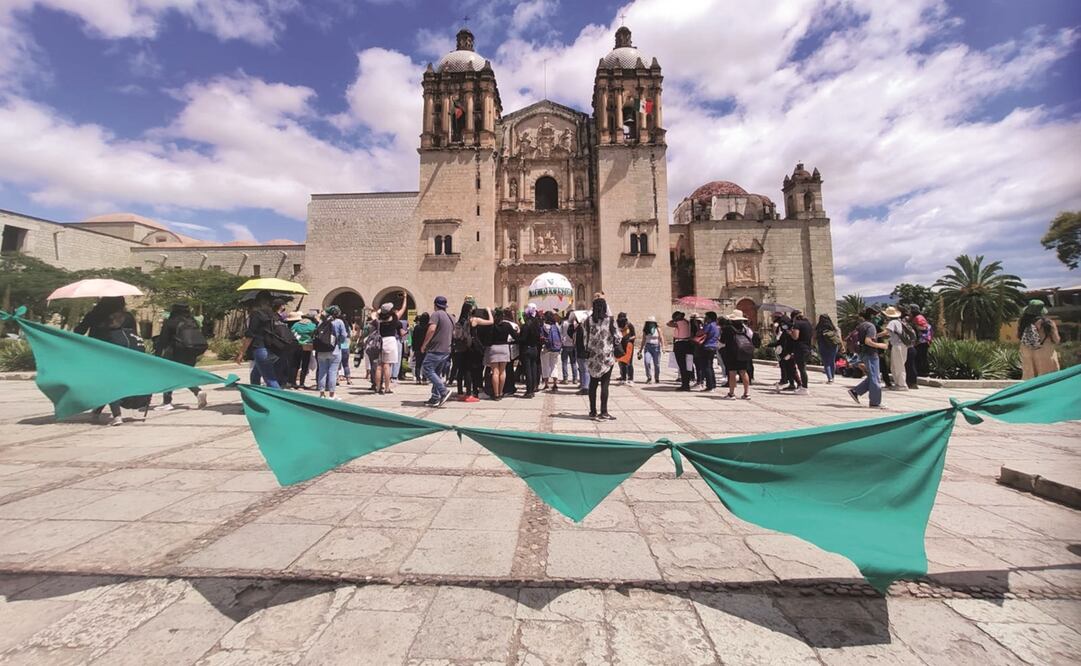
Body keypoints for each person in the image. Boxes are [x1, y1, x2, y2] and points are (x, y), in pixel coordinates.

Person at [75, 296, 137, 425]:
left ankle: (116, 415)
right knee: (110, 380)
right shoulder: (127, 316)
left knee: (106, 381)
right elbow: (134, 335)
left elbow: (79, 331)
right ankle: (98, 411)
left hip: (98, 353)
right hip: (122, 353)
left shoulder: (94, 315)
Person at [154, 303, 209, 411]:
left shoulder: (171, 322)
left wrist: (158, 353)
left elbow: (163, 340)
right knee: (184, 374)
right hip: (191, 353)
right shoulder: (193, 322)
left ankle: (167, 402)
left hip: (175, 352)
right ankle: (198, 392)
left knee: (167, 376)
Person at [235, 291, 280, 389]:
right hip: (273, 349)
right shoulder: (274, 315)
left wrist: (242, 352)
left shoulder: (256, 314)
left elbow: (250, 335)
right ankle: (256, 396)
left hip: (260, 348)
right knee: (255, 374)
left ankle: (282, 402)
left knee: (270, 379)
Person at [585, 297, 620, 420]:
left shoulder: (588, 321)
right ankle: (604, 411)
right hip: (607, 357)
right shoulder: (610, 320)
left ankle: (593, 411)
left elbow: (585, 338)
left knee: (593, 384)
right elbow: (618, 337)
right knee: (605, 384)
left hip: (593, 357)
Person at [473, 306, 518, 400]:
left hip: (493, 348)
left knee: (495, 372)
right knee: (503, 372)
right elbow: (515, 336)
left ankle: (496, 394)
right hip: (504, 348)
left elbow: (487, 338)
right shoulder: (507, 325)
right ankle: (501, 392)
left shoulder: (491, 326)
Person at [848, 308, 889, 408]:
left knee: (872, 376)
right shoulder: (871, 326)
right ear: (872, 316)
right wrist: (881, 345)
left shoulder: (861, 325)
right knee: (875, 378)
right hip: (870, 353)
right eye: (877, 315)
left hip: (863, 353)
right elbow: (868, 341)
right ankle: (875, 402)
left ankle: (856, 391)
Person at [419, 296, 455, 407]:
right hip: (446, 349)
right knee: (437, 373)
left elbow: (432, 329)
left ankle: (443, 391)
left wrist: (424, 344)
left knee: (427, 369)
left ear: (435, 305)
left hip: (436, 349)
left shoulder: (436, 314)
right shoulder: (451, 317)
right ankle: (435, 397)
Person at [375, 293, 408, 394]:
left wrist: (381, 309)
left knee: (379, 366)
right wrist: (405, 298)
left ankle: (377, 387)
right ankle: (387, 387)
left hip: (380, 341)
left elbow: (376, 312)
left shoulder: (378, 319)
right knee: (387, 365)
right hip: (390, 341)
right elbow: (403, 308)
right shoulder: (394, 318)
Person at [1018, 299, 1061, 379]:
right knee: (1048, 380)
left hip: (1027, 353)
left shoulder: (1022, 323)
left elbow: (1019, 337)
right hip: (1045, 353)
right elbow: (1056, 340)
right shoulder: (1048, 323)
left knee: (1030, 380)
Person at [314, 305, 349, 400]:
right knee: (333, 372)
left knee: (322, 371)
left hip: (321, 350)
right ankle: (332, 394)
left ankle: (321, 393)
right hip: (335, 350)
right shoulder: (339, 322)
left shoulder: (322, 322)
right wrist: (340, 343)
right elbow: (344, 336)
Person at [720, 309, 756, 399]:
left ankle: (731, 393)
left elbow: (722, 341)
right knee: (743, 372)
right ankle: (746, 393)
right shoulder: (745, 328)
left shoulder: (728, 329)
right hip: (743, 352)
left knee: (732, 372)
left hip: (732, 353)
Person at [882, 306, 911, 391]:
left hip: (897, 345)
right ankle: (899, 383)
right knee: (900, 364)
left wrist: (876, 335)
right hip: (903, 345)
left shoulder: (892, 322)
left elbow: (886, 332)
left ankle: (901, 385)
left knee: (897, 365)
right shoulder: (900, 321)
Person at [518, 304, 542, 398]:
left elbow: (523, 339)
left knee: (528, 370)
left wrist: (517, 337)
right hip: (534, 348)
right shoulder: (537, 323)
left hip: (527, 349)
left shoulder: (526, 325)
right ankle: (533, 389)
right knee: (533, 369)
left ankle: (529, 391)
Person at [788, 310, 813, 395]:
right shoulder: (808, 324)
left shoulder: (797, 324)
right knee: (803, 368)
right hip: (807, 348)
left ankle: (804, 388)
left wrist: (790, 333)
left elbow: (795, 337)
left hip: (800, 348)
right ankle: (804, 386)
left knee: (802, 369)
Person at [667, 311, 693, 391]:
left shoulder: (678, 322)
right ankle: (687, 383)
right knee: (688, 365)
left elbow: (668, 323)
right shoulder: (687, 322)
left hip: (680, 344)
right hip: (688, 343)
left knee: (682, 365)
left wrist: (674, 320)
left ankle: (684, 385)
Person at [291, 312, 317, 389]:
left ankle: (293, 383)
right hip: (307, 347)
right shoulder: (312, 325)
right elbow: (314, 334)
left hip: (296, 346)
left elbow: (292, 332)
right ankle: (302, 383)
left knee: (295, 365)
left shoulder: (296, 324)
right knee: (304, 365)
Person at [814, 314, 841, 384]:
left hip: (822, 346)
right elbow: (838, 338)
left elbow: (814, 338)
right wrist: (842, 346)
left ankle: (830, 378)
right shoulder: (833, 327)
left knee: (826, 362)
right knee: (832, 361)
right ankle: (833, 377)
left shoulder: (818, 328)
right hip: (833, 346)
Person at [540, 310, 563, 392]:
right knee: (554, 365)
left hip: (545, 348)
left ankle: (546, 384)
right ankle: (555, 384)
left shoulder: (543, 326)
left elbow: (541, 336)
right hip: (555, 348)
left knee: (545, 366)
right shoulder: (556, 325)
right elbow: (560, 335)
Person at [639, 316, 664, 384]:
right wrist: (640, 350)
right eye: (649, 323)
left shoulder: (657, 329)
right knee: (647, 362)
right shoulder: (645, 330)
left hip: (656, 347)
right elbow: (643, 340)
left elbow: (661, 338)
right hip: (648, 347)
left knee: (657, 364)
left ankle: (657, 377)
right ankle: (649, 377)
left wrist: (663, 347)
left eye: (652, 323)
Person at [910, 305, 932, 378]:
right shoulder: (917, 317)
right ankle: (921, 371)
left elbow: (924, 328)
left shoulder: (918, 318)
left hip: (922, 341)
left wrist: (915, 326)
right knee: (920, 356)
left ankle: (924, 372)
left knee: (921, 356)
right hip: (921, 341)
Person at [700, 311, 720, 391]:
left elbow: (702, 333)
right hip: (714, 346)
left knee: (706, 367)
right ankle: (713, 384)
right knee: (710, 366)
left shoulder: (709, 325)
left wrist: (704, 324)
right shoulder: (716, 326)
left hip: (707, 346)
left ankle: (710, 385)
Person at [571, 312, 591, 394]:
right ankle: (584, 385)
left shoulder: (581, 329)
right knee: (583, 370)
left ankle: (586, 388)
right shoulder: (582, 327)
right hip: (582, 351)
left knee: (584, 370)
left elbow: (581, 342)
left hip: (582, 352)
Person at [615, 312, 636, 384]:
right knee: (622, 362)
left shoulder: (629, 325)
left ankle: (631, 379)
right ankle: (623, 378)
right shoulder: (617, 325)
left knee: (629, 363)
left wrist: (629, 339)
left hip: (629, 346)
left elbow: (634, 335)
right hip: (621, 346)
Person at [411, 312, 430, 385]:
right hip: (426, 348)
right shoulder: (428, 327)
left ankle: (418, 379)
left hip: (417, 348)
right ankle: (424, 378)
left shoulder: (417, 327)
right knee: (426, 364)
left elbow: (414, 338)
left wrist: (413, 347)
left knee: (418, 364)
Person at [559, 312, 578, 385]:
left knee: (564, 362)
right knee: (573, 363)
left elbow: (560, 333)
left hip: (565, 345)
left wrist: (562, 341)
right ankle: (575, 379)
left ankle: (565, 379)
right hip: (573, 345)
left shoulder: (564, 323)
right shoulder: (575, 323)